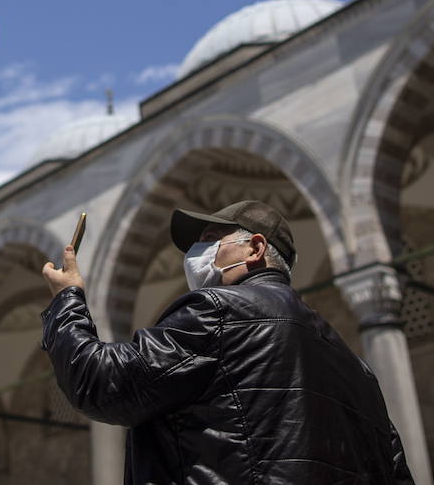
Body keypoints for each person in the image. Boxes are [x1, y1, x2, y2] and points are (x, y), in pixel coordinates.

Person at [40, 199, 413, 485]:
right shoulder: (357, 369)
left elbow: (100, 383)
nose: (195, 254)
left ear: (254, 248)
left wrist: (66, 299)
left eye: (209, 240)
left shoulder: (219, 311)